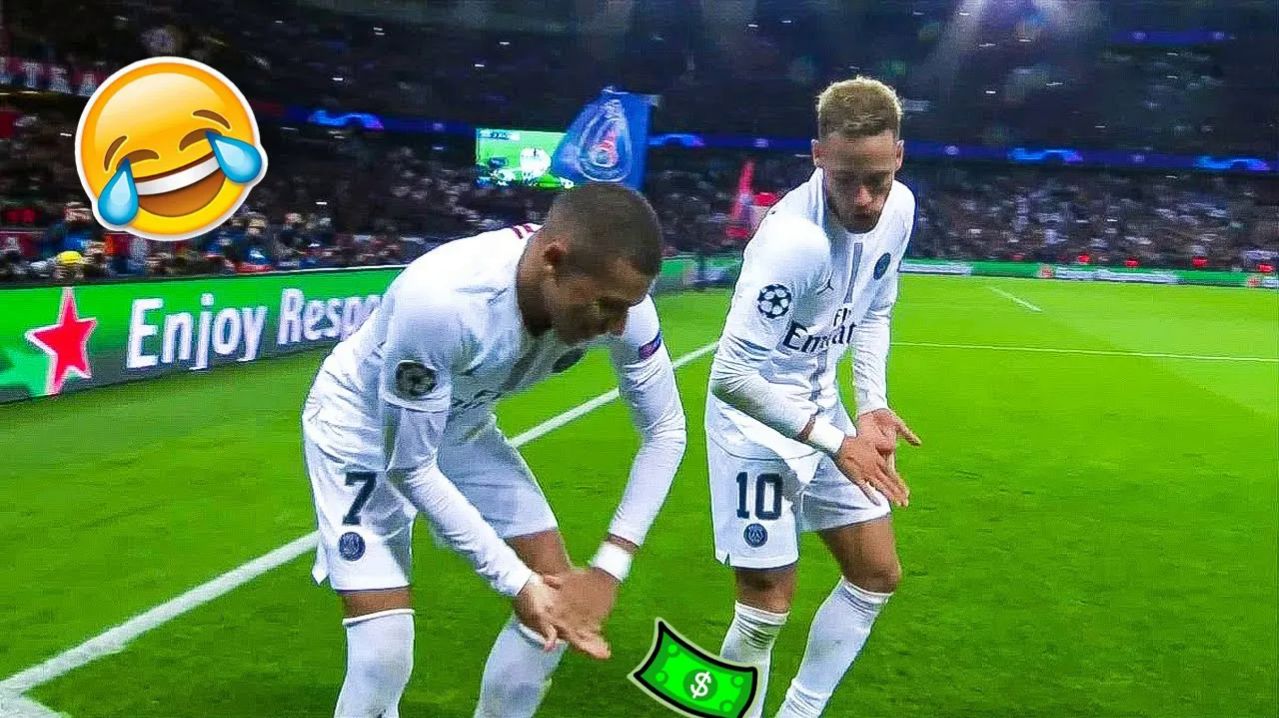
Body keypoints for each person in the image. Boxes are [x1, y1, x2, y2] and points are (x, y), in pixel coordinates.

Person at [302, 183, 687, 718]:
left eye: (630, 307)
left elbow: (666, 430)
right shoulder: (444, 301)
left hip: (461, 426)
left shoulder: (620, 309)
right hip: (362, 430)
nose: (618, 326)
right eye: (608, 306)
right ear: (553, 260)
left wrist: (609, 567)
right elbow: (412, 468)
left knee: (558, 605)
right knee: (383, 652)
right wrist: (516, 581)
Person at [704, 77, 922, 718]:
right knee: (765, 608)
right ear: (818, 156)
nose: (864, 199)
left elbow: (876, 308)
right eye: (846, 180)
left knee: (876, 574)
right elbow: (731, 376)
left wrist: (872, 405)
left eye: (878, 180)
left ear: (899, 156)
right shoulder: (792, 243)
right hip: (754, 427)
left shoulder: (900, 210)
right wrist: (837, 442)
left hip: (825, 414)